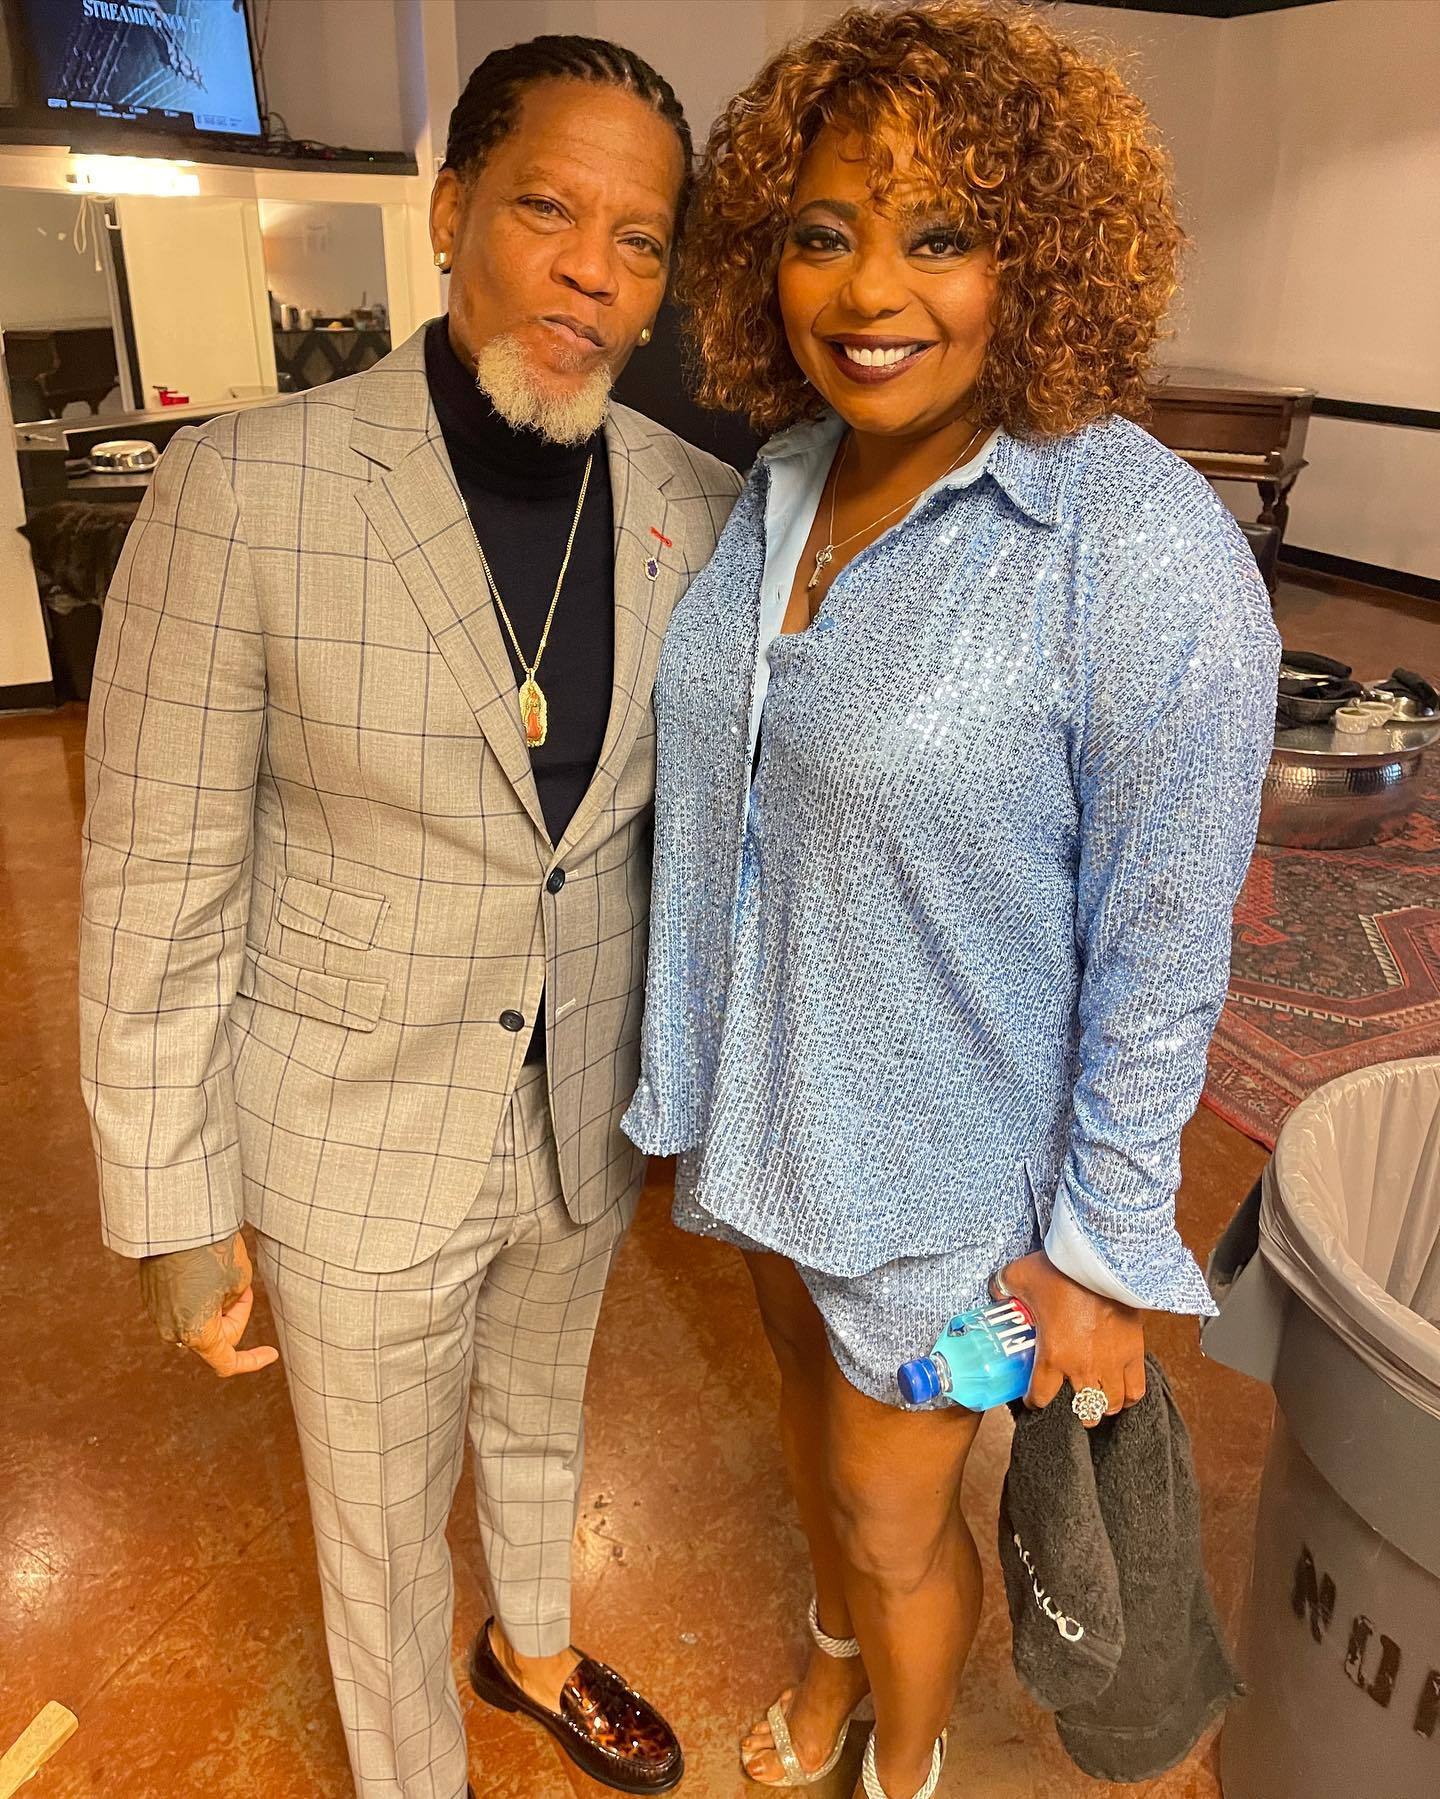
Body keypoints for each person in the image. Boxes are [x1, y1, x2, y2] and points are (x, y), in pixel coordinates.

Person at [623, 5, 1280, 1798]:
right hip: (764, 1122)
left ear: (1041, 257)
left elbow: (1163, 945)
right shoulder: (781, 484)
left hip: (947, 1194)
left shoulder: (1133, 549)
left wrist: (1099, 1255)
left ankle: (895, 1771)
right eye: (822, 233)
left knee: (890, 1512)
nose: (868, 291)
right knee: (807, 1424)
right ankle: (835, 1658)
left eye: (941, 235)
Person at [78, 36, 741, 1799]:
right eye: (546, 211)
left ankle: (534, 1645)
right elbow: (153, 875)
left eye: (640, 241)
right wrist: (170, 1205)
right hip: (349, 1125)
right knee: (375, 1522)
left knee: (541, 1413)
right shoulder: (248, 487)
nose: (592, 273)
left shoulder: (695, 506)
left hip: (578, 1099)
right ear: (452, 216)